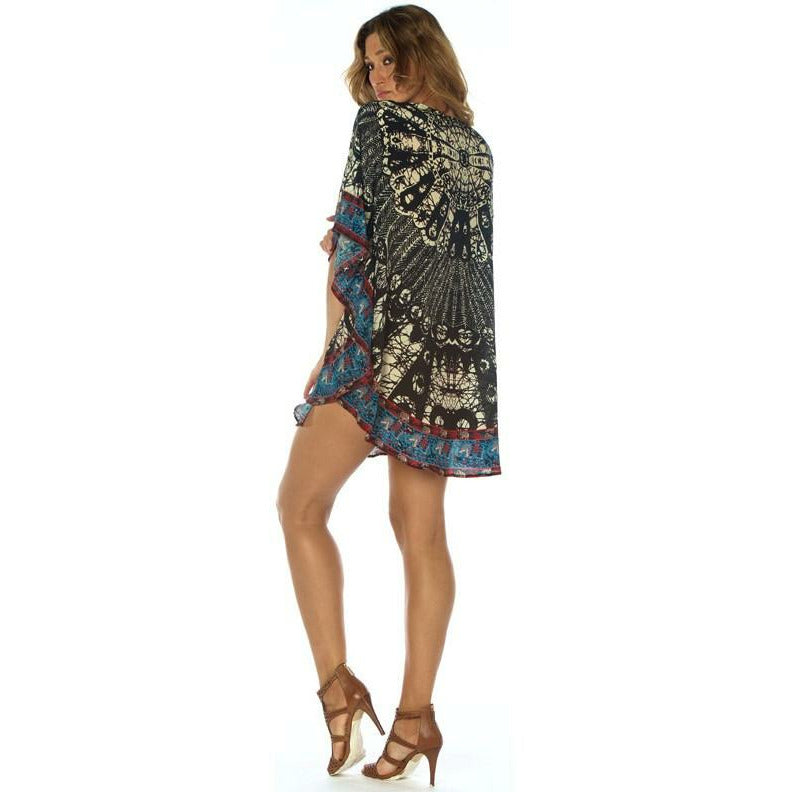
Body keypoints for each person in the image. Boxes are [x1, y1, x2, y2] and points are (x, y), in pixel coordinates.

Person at [276, 4, 500, 785]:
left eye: (388, 59)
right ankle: (413, 724)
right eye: (369, 63)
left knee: (300, 509)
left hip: (377, 358)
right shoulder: (477, 150)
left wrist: (330, 349)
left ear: (420, 55)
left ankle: (340, 694)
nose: (377, 76)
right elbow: (460, 266)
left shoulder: (377, 128)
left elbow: (353, 242)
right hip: (448, 364)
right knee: (422, 535)